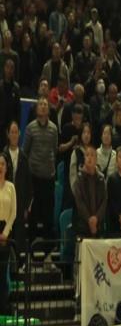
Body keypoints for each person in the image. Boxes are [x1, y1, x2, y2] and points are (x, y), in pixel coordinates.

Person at [23, 97, 58, 240]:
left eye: (45, 104)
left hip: (49, 177)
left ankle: (47, 245)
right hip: (34, 178)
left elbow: (54, 150)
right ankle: (31, 244)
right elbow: (25, 152)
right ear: (37, 109)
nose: (43, 106)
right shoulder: (30, 128)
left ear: (48, 109)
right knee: (34, 213)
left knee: (48, 213)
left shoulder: (54, 128)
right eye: (40, 104)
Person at [3, 121, 32, 252]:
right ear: (7, 134)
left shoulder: (24, 158)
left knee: (19, 240)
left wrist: (26, 207)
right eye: (12, 132)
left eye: (16, 132)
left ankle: (18, 262)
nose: (14, 135)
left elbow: (29, 185)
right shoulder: (3, 157)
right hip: (5, 205)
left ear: (19, 134)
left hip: (20, 205)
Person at [72, 145, 107, 238]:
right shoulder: (79, 178)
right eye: (87, 155)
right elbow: (79, 202)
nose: (90, 158)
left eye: (92, 155)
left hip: (98, 225)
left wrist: (96, 218)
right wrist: (89, 219)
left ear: (96, 159)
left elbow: (104, 200)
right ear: (84, 159)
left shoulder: (101, 178)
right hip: (82, 226)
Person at [0, 152, 16, 314]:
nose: (0, 167)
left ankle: (4, 305)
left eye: (2, 164)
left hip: (5, 231)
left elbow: (14, 212)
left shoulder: (11, 187)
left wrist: (5, 232)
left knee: (3, 271)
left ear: (6, 167)